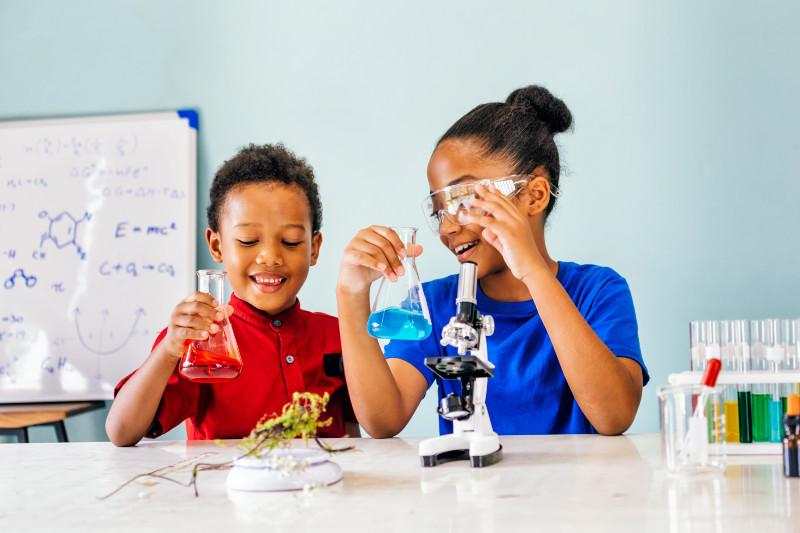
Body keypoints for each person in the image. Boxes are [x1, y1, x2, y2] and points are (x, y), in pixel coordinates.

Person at [336, 85, 648, 437]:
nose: (448, 227)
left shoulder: (598, 291)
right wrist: (351, 293)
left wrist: (532, 270)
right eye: (439, 211)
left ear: (534, 196)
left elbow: (614, 415)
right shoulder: (436, 304)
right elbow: (382, 420)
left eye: (463, 200)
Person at [107, 144, 357, 446]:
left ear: (314, 248)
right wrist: (168, 350)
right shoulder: (200, 340)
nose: (270, 257)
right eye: (248, 240)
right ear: (217, 246)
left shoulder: (338, 335)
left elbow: (359, 436)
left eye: (291, 242)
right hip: (224, 479)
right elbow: (121, 432)